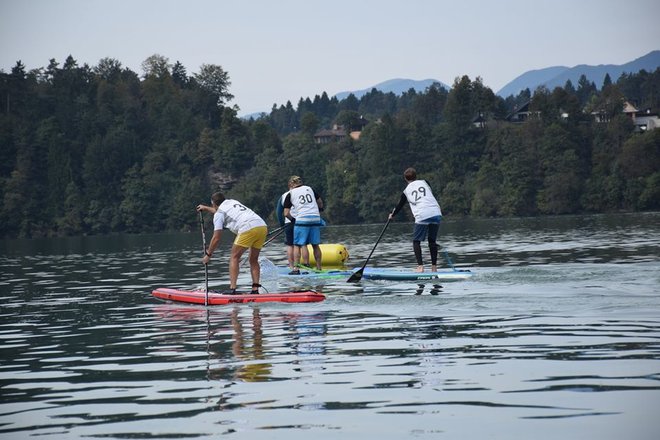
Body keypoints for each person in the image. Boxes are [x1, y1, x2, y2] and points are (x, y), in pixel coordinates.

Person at [197, 192, 268, 294]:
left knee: (234, 257)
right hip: (261, 226)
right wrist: (205, 208)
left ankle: (233, 289)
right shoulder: (231, 202)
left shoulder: (219, 214)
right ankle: (255, 289)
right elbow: (218, 210)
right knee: (253, 259)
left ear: (213, 203)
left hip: (247, 227)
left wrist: (208, 254)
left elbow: (216, 238)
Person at [388, 167, 442, 272]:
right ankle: (434, 267)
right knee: (432, 241)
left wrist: (392, 215)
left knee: (416, 241)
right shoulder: (425, 182)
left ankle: (420, 267)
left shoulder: (406, 191)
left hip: (422, 214)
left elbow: (399, 205)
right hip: (436, 212)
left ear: (405, 179)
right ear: (416, 176)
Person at [282, 175, 324, 274]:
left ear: (291, 184)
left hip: (302, 219)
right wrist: (319, 211)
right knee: (315, 245)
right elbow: (320, 202)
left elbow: (286, 213)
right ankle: (319, 268)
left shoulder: (290, 193)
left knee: (297, 244)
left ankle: (296, 269)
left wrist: (293, 220)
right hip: (315, 218)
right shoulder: (310, 189)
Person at [276, 180, 309, 270]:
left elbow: (279, 213)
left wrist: (282, 225)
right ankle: (306, 266)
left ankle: (292, 266)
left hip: (288, 223)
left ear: (289, 186)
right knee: (302, 244)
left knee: (290, 245)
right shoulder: (303, 193)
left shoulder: (284, 196)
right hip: (301, 221)